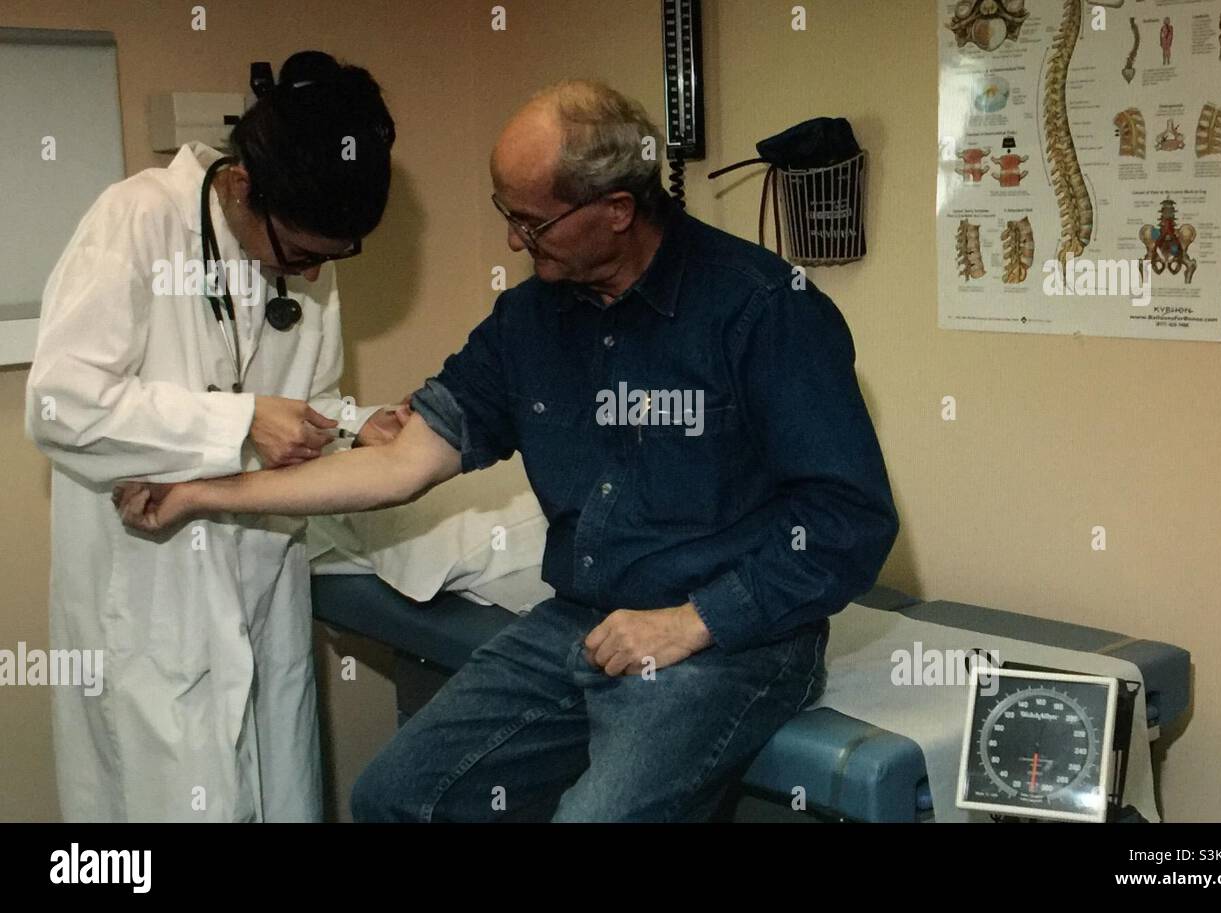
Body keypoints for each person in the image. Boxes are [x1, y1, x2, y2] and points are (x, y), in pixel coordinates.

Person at [117, 79, 899, 823]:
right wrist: (201, 493)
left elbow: (849, 520)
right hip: (579, 622)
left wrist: (692, 621)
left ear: (617, 209)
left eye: (531, 222)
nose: (511, 238)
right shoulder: (530, 320)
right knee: (395, 796)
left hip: (730, 645)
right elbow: (398, 464)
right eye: (507, 212)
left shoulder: (762, 312)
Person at [27, 51, 402, 822]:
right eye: (300, 254)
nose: (308, 277)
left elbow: (306, 401)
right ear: (242, 186)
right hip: (151, 597)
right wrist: (237, 420)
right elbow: (61, 405)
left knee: (275, 784)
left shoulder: (309, 260)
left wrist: (356, 427)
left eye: (330, 260)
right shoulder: (136, 220)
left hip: (262, 583)